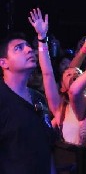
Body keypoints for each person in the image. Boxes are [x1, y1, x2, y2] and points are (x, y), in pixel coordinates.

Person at [0, 32, 55, 173]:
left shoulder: (38, 98)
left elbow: (47, 150)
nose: (29, 49)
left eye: (28, 46)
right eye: (18, 48)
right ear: (3, 62)